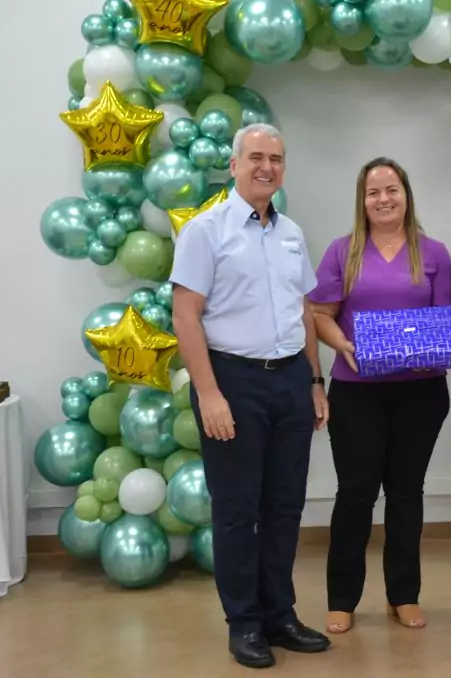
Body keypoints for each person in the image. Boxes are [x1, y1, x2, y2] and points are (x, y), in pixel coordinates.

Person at [170, 122, 331, 670]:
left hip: (289, 379)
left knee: (284, 507)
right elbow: (185, 317)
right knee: (238, 512)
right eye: (256, 157)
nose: (267, 167)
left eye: (277, 159)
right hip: (232, 382)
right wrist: (209, 393)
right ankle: (244, 623)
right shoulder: (205, 231)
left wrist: (314, 381)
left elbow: (303, 312)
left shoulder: (292, 233)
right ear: (234, 165)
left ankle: (279, 614)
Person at [308, 157, 451, 634]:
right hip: (357, 394)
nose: (384, 199)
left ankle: (403, 595)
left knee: (407, 494)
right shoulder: (341, 252)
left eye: (392, 189)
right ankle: (342, 599)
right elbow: (320, 315)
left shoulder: (432, 253)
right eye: (374, 192)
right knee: (355, 495)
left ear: (406, 194)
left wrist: (429, 348)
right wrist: (343, 345)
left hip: (421, 394)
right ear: (362, 200)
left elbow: (442, 323)